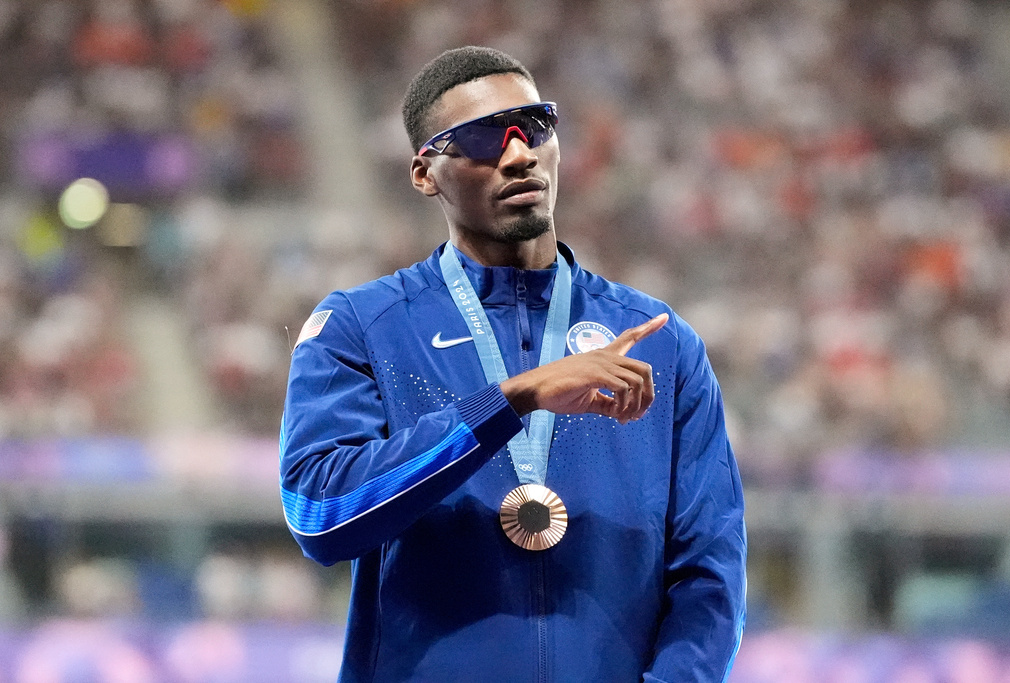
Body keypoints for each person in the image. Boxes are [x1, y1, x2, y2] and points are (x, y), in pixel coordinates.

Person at [280, 46, 746, 683]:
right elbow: (319, 513)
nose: (520, 153)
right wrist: (512, 399)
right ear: (425, 172)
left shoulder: (662, 344)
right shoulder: (362, 328)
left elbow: (709, 572)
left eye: (536, 127)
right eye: (482, 137)